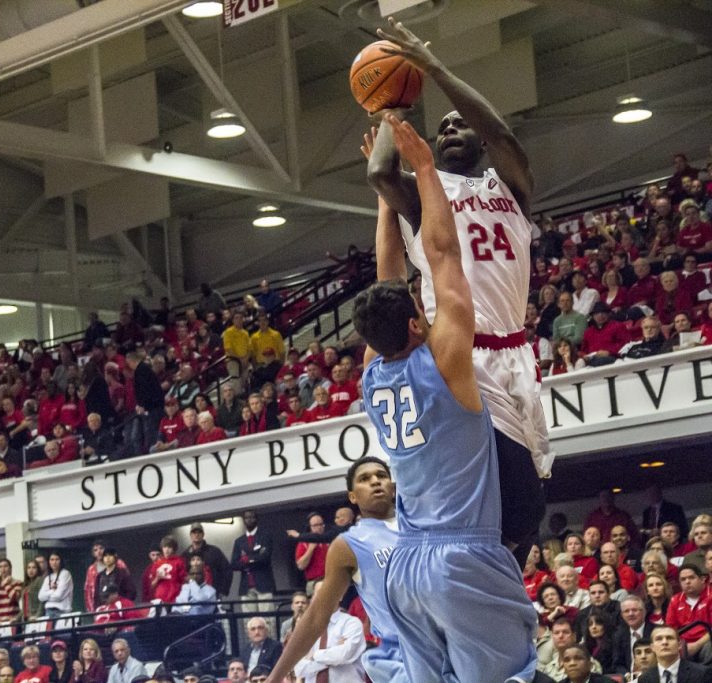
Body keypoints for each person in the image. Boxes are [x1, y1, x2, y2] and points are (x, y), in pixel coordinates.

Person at [356, 113, 536, 682]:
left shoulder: (370, 375)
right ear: (416, 324)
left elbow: (390, 272)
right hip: (464, 556)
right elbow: (443, 255)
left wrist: (387, 199)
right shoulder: (448, 362)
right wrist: (425, 168)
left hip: (407, 566)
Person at [365, 17, 548, 570]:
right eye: (439, 127)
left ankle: (496, 584)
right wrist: (389, 106)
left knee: (528, 503)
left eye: (457, 124)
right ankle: (466, 576)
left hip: (516, 351)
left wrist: (437, 70)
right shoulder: (427, 197)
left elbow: (504, 137)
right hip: (460, 351)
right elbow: (379, 175)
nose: (449, 129)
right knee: (516, 502)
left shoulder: (510, 186)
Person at [268, 457, 405, 683]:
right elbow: (315, 618)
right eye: (364, 478)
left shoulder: (423, 523)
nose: (375, 481)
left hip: (453, 647)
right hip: (404, 658)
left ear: (392, 486)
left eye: (381, 476)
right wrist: (274, 678)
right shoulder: (349, 544)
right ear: (353, 496)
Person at [291, 583, 365, 683]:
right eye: (319, 593)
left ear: (340, 596)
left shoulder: (352, 623)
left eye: (328, 591)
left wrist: (313, 656)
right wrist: (332, 657)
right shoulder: (306, 628)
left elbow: (344, 654)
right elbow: (299, 669)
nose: (323, 596)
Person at [666, 564, 712, 664]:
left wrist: (696, 645)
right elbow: (671, 629)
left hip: (706, 640)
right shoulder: (675, 600)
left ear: (702, 579)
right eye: (683, 579)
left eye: (691, 577)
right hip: (683, 643)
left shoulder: (711, 596)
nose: (687, 582)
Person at [231, 510, 276, 613]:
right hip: (246, 586)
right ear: (243, 520)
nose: (249, 520)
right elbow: (234, 564)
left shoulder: (265, 536)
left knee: (267, 619)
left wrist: (248, 559)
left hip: (264, 584)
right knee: (249, 621)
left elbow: (265, 557)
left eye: (252, 517)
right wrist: (255, 558)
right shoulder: (239, 541)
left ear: (256, 519)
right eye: (247, 518)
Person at [637, 625, 712, 682]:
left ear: (679, 645)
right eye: (659, 639)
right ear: (652, 647)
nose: (664, 642)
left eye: (669, 638)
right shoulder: (644, 679)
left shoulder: (702, 673)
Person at [182, 522, 233, 597]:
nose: (196, 534)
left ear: (203, 534)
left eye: (199, 532)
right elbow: (181, 575)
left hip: (213, 593)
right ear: (190, 535)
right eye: (194, 532)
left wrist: (222, 590)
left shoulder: (214, 551)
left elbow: (227, 570)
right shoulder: (185, 555)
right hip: (191, 595)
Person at [0, 558, 23, 627]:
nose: (3, 569)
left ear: (10, 568)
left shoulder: (18, 583)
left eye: (5, 566)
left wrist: (6, 584)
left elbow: (15, 597)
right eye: (1, 567)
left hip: (14, 621)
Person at [39, 553, 74, 618]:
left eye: (57, 559)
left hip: (62, 611)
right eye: (52, 560)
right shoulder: (48, 578)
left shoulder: (65, 574)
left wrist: (47, 597)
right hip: (48, 611)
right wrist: (52, 591)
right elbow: (41, 597)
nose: (54, 562)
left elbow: (58, 596)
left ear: (61, 561)